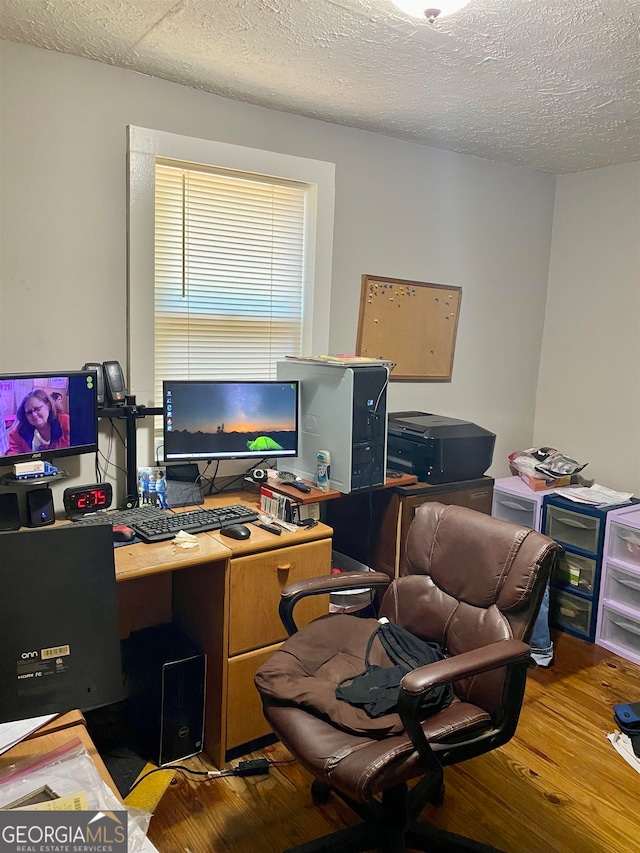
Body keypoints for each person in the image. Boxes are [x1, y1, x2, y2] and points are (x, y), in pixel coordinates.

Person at [7, 389, 70, 455]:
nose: (34, 415)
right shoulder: (19, 432)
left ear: (48, 406)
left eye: (38, 409)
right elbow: (13, 454)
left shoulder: (66, 422)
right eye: (29, 412)